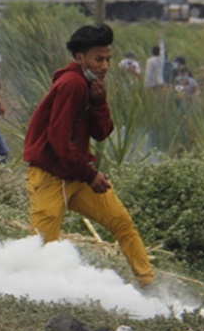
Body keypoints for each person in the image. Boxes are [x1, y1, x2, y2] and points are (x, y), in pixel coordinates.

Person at [22, 23, 155, 288]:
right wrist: (90, 174)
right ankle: (33, 293)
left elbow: (102, 132)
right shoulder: (72, 84)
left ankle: (147, 282)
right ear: (80, 57)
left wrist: (99, 102)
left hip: (75, 174)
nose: (105, 66)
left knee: (121, 221)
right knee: (41, 246)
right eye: (98, 59)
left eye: (108, 59)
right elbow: (58, 141)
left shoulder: (88, 86)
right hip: (51, 176)